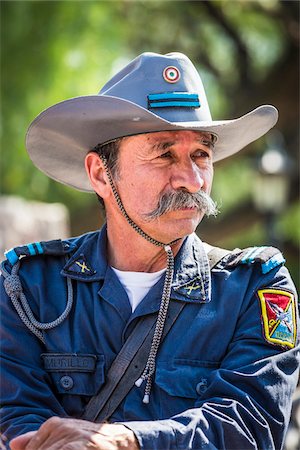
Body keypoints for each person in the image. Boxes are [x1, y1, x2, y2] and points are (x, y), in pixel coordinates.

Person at [0, 52, 299, 450]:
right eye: (164, 153)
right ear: (100, 174)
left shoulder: (253, 287)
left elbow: (252, 426)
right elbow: (14, 416)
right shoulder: (28, 286)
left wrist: (126, 441)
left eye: (201, 155)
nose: (193, 180)